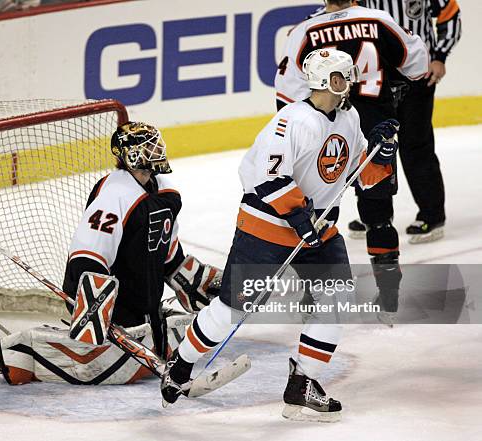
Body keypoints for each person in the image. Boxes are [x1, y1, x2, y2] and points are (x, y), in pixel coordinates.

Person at [161, 48, 400, 422]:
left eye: (348, 76)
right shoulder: (291, 122)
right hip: (266, 227)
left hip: (318, 228)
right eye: (339, 78)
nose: (347, 84)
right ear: (322, 82)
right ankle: (180, 363)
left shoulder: (350, 117)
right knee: (233, 308)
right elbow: (270, 180)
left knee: (336, 302)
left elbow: (359, 178)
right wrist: (299, 219)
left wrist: (381, 156)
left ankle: (302, 384)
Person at [0, 122, 222, 385]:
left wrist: (199, 284)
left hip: (146, 308)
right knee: (98, 368)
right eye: (148, 146)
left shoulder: (166, 192)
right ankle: (23, 350)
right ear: (131, 154)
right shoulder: (114, 194)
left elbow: (169, 256)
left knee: (187, 338)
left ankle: (152, 331)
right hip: (114, 312)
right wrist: (97, 314)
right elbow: (87, 257)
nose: (157, 149)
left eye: (156, 143)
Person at [273, 0, 429, 315]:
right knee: (378, 215)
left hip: (325, 137)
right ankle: (388, 296)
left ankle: (313, 296)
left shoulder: (306, 29)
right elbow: (419, 64)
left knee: (315, 216)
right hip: (373, 133)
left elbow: (286, 95)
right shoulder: (379, 20)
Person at [349, 0, 462, 243]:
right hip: (374, 78)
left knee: (416, 145)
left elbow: (450, 13)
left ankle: (432, 214)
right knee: (373, 145)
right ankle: (377, 215)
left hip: (417, 75)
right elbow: (346, 16)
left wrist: (439, 56)